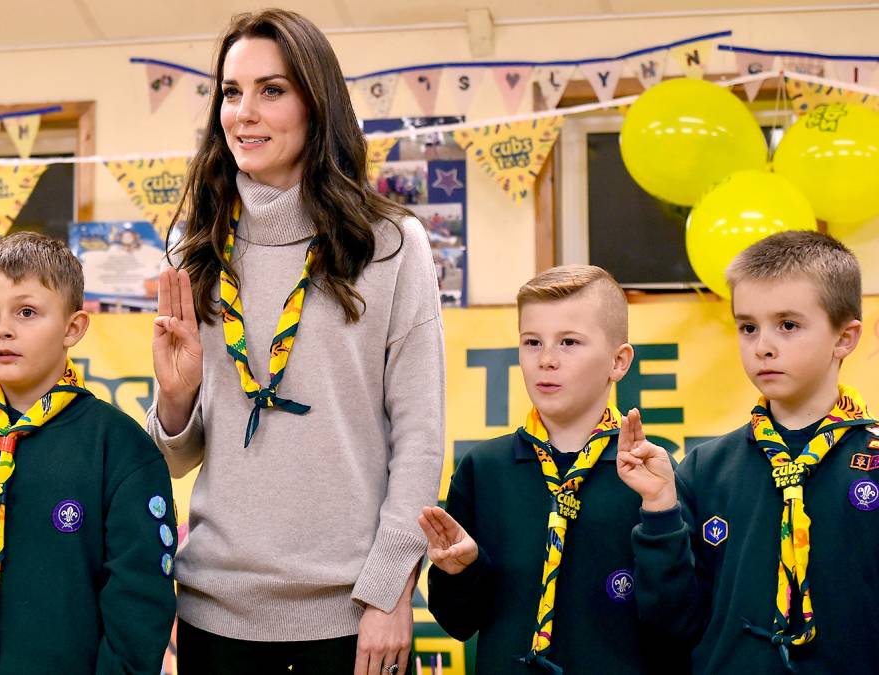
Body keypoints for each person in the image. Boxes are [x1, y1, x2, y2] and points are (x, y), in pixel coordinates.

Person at [146, 9, 444, 675]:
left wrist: (392, 590)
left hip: (353, 616)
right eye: (231, 92)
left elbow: (420, 435)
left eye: (271, 90)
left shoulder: (391, 244)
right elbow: (178, 452)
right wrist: (175, 397)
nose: (243, 113)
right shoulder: (193, 246)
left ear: (318, 103)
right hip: (211, 613)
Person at [620, 231, 879, 674]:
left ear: (845, 338)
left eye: (789, 325)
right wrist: (661, 513)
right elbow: (672, 623)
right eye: (748, 327)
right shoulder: (705, 469)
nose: (763, 346)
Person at [0, 232, 176, 674]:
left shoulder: (119, 447)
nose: (3, 328)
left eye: (27, 312)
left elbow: (140, 605)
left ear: (73, 328)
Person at [422, 265, 686, 674]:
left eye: (569, 342)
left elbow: (676, 623)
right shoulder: (483, 470)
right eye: (532, 342)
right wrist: (461, 572)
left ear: (618, 362)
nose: (546, 360)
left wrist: (660, 515)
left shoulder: (651, 476)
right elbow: (457, 622)